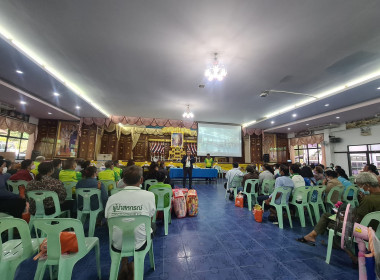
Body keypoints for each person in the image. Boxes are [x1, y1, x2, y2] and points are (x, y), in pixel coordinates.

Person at [297, 172, 380, 246]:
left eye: (360, 186)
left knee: (328, 219)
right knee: (329, 217)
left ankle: (344, 249)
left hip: (363, 230)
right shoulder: (370, 198)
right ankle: (313, 236)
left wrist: (343, 216)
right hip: (376, 228)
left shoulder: (368, 200)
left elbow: (358, 219)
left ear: (367, 185)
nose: (359, 188)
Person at [105, 165, 156, 279]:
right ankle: (133, 263)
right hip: (139, 242)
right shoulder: (149, 195)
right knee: (152, 225)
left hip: (117, 243)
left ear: (123, 180)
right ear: (141, 180)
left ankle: (124, 262)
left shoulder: (112, 198)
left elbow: (108, 220)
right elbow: (150, 218)